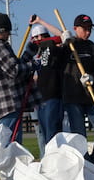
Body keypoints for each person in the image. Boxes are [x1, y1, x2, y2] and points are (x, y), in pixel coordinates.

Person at [0, 12, 40, 144]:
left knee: (8, 142)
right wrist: (35, 64)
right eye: (8, 31)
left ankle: (7, 164)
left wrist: (29, 51)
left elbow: (13, 66)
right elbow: (15, 71)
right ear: (3, 29)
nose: (9, 34)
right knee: (10, 144)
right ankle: (8, 165)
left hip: (3, 105)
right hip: (9, 104)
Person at [62, 14, 94, 168]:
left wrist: (93, 78)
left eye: (90, 29)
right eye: (85, 29)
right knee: (79, 135)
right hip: (73, 98)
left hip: (92, 97)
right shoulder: (68, 46)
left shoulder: (93, 48)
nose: (88, 32)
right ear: (75, 28)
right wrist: (62, 42)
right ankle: (85, 166)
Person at [29, 16, 67, 157]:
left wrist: (41, 21)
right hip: (38, 100)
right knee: (43, 134)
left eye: (42, 36)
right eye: (36, 37)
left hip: (53, 96)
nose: (39, 39)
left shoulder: (53, 49)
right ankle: (45, 160)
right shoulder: (32, 55)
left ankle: (56, 162)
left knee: (53, 133)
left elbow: (62, 36)